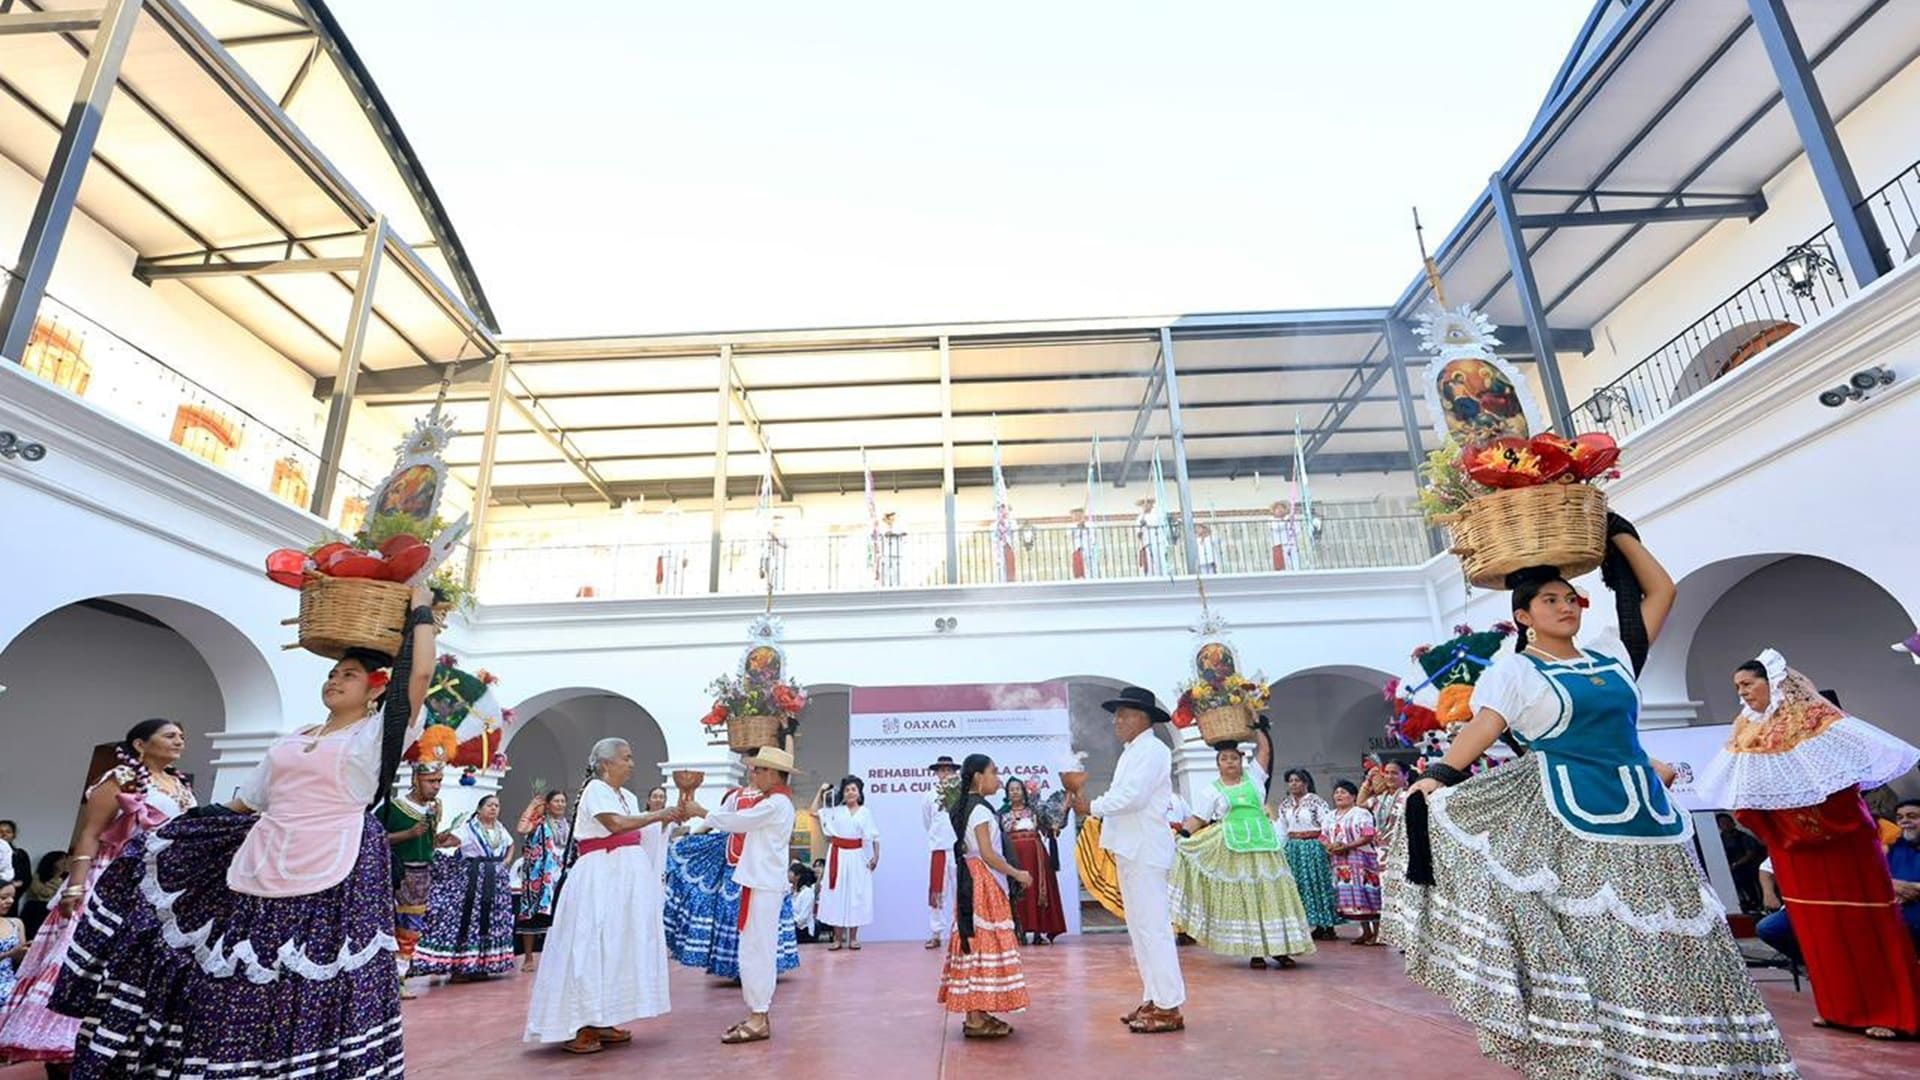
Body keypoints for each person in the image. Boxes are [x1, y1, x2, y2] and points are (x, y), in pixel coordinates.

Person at [1392, 530, 1798, 1078]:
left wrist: (1620, 536)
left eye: (1570, 599)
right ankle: (1619, 1059)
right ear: (1523, 617)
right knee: (1605, 939)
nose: (1566, 608)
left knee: (1678, 938)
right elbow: (1485, 727)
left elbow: (1662, 593)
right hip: (1574, 820)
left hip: (1647, 817)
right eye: (1550, 601)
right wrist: (1438, 776)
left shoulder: (1611, 652)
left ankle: (1701, 1056)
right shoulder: (1514, 671)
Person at [50, 587, 438, 1078]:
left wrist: (421, 609)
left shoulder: (373, 736)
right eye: (332, 673)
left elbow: (419, 675)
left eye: (349, 675)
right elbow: (245, 802)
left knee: (309, 975)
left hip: (333, 865)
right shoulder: (293, 737)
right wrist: (183, 828)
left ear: (376, 689)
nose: (335, 681)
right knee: (233, 974)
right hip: (259, 859)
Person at [1695, 652, 1920, 1039]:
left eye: (1748, 684)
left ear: (1774, 683)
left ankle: (1893, 1011)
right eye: (1737, 688)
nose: (1743, 693)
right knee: (1817, 931)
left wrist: (1793, 818)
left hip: (1840, 846)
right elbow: (1747, 794)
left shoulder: (1819, 724)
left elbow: (1839, 792)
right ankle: (1840, 1008)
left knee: (1864, 927)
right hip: (1791, 849)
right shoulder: (1746, 729)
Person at [2, 719, 196, 1070]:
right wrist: (75, 885)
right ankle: (62, 1040)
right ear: (140, 744)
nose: (179, 741)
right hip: (108, 877)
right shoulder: (120, 778)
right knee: (87, 950)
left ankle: (112, 1037)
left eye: (181, 736)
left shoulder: (180, 785)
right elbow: (91, 833)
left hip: (154, 884)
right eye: (170, 735)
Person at [524, 738, 682, 1054]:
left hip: (622, 881)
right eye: (627, 757)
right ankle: (579, 1022)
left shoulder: (625, 795)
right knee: (589, 945)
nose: (632, 763)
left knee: (615, 946)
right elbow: (615, 824)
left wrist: (668, 819)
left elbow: (636, 832)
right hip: (598, 878)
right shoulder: (595, 789)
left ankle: (603, 1016)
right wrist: (658, 814)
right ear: (607, 764)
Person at [1070, 686, 1186, 1034]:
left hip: (1146, 849)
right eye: (1117, 714)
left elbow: (1133, 797)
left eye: (1125, 714)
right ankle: (1154, 997)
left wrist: (1092, 806)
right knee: (1140, 931)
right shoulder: (1132, 752)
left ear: (1144, 718)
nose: (1117, 720)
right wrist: (1094, 803)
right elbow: (1124, 794)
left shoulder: (1153, 750)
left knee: (1154, 930)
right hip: (1131, 848)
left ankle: (1170, 1005)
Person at [1169, 724, 1313, 968]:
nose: (1230, 762)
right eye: (1224, 759)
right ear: (1218, 764)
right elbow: (1199, 819)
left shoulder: (1255, 779)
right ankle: (1256, 952)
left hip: (1265, 848)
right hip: (1236, 851)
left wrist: (1259, 729)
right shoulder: (1211, 791)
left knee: (1273, 896)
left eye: (1234, 758)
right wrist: (1182, 834)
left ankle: (1281, 950)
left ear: (1241, 761)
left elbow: (1265, 753)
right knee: (1249, 898)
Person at [686, 745, 801, 1045]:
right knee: (753, 949)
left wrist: (702, 812)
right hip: (760, 884)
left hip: (763, 886)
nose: (754, 773)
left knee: (757, 951)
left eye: (760, 769)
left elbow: (737, 822)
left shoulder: (775, 804)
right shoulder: (775, 802)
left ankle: (759, 1014)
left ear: (775, 774)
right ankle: (757, 1013)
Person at [939, 753, 1032, 1038]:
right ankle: (976, 1018)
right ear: (979, 776)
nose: (999, 779)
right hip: (983, 882)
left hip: (975, 879)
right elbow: (988, 854)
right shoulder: (979, 810)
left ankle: (978, 1013)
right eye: (994, 772)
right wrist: (1018, 874)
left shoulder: (968, 806)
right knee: (982, 942)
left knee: (977, 942)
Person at [662, 797, 801, 980]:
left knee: (761, 915)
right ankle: (735, 966)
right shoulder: (735, 795)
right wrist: (692, 838)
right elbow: (717, 819)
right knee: (731, 913)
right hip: (732, 860)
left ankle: (761, 967)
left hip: (761, 864)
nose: (753, 772)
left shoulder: (774, 801)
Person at [414, 792, 516, 981]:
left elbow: (511, 845)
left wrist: (506, 862)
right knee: (470, 921)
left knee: (491, 921)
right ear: (479, 809)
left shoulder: (500, 829)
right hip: (474, 882)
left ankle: (483, 964)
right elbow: (447, 842)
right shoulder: (469, 829)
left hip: (496, 883)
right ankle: (462, 966)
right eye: (489, 805)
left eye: (496, 805)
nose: (494, 808)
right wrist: (438, 836)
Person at [815, 775, 880, 950]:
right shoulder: (835, 811)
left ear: (859, 793)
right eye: (847, 790)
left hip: (857, 856)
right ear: (842, 794)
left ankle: (853, 938)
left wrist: (876, 856)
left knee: (855, 894)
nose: (850, 792)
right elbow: (814, 811)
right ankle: (837, 938)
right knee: (837, 895)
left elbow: (874, 836)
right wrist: (820, 791)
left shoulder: (865, 812)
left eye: (853, 789)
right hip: (838, 855)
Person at [1001, 778, 1068, 946]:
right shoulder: (1001, 813)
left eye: (1018, 789)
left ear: (1024, 791)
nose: (1015, 792)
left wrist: (1058, 819)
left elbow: (1050, 828)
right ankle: (1019, 931)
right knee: (1017, 892)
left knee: (1038, 891)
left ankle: (1039, 933)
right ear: (1007, 793)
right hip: (1013, 857)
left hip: (1036, 857)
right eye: (1011, 789)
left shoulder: (1035, 811)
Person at [1275, 768, 1339, 940]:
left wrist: (1328, 844)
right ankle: (1308, 923)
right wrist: (1280, 849)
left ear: (1306, 783)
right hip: (1294, 848)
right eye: (1291, 781)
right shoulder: (1285, 805)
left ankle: (1326, 925)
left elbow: (1327, 824)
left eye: (1297, 780)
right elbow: (1282, 829)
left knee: (1317, 883)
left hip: (1313, 846)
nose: (1294, 784)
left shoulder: (1316, 802)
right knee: (1299, 885)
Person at [515, 789, 570, 971]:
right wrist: (531, 807)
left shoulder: (568, 825)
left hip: (560, 876)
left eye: (563, 801)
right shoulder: (539, 823)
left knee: (560, 917)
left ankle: (556, 959)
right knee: (531, 916)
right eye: (556, 801)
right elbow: (521, 829)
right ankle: (529, 958)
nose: (560, 804)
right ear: (548, 804)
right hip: (538, 878)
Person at [1323, 779, 1382, 945]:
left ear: (1353, 796)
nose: (1339, 795)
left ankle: (1377, 933)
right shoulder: (1330, 815)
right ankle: (1365, 931)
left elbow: (1369, 833)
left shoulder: (1361, 813)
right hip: (1341, 861)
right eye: (1336, 792)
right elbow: (1322, 835)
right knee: (1355, 898)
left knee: (1368, 893)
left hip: (1362, 859)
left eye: (1343, 792)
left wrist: (1348, 846)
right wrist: (1329, 846)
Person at [922, 755, 960, 949]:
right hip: (939, 848)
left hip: (959, 848)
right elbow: (927, 821)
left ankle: (962, 931)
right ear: (936, 773)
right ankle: (936, 933)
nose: (945, 773)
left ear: (955, 773)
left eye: (948, 770)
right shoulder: (929, 795)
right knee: (937, 892)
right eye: (941, 770)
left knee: (960, 889)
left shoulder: (961, 793)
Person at [1715, 813, 1767, 914]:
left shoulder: (1743, 837)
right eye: (1722, 823)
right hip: (1730, 871)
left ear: (1733, 823)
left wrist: (1735, 864)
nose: (1725, 825)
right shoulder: (1718, 840)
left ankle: (1757, 905)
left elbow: (1751, 853)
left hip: (1749, 869)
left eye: (1727, 822)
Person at [18, 853, 63, 940]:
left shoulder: (62, 880)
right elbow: (42, 893)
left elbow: (57, 895)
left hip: (49, 910)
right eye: (62, 860)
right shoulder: (37, 876)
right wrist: (54, 886)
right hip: (34, 908)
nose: (64, 863)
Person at [0, 882, 25, 1020]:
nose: (10, 901)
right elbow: (12, 954)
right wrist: (9, 954)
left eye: (12, 897)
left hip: (10, 983)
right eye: (3, 897)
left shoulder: (16, 923)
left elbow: (20, 960)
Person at [790, 862, 818, 944]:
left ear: (798, 876)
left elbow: (803, 917)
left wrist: (790, 923)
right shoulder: (789, 890)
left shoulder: (807, 892)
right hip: (792, 926)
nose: (787, 874)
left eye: (790, 872)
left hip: (803, 929)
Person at [1269, 500, 1300, 571]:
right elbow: (1277, 527)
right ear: (1274, 511)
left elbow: (1297, 531)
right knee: (1281, 567)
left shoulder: (1289, 519)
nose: (1280, 510)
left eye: (1281, 508)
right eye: (1277, 508)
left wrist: (1292, 522)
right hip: (1279, 545)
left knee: (1294, 564)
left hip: (1291, 544)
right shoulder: (1271, 519)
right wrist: (1286, 519)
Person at [1069, 507, 1097, 579]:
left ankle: (1091, 578)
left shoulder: (1089, 524)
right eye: (1074, 514)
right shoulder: (1070, 526)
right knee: (1078, 567)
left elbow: (1092, 533)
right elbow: (1069, 535)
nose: (1076, 516)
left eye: (1078, 514)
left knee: (1090, 566)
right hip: (1077, 549)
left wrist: (1084, 525)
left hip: (1088, 548)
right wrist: (1078, 526)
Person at [0, 822, 27, 891]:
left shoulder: (20, 854)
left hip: (13, 892)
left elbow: (26, 878)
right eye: (0, 832)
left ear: (14, 835)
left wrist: (14, 884)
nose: (4, 835)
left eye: (8, 832)